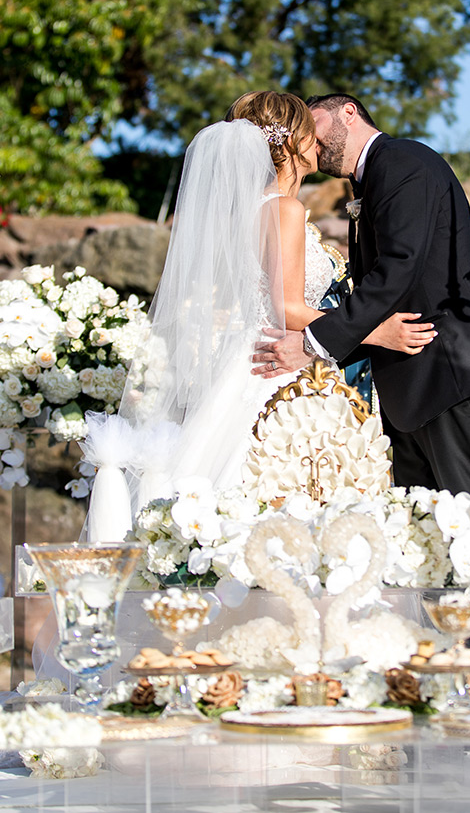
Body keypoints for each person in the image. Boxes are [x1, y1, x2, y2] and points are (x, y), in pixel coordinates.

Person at [83, 92, 432, 538]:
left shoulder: (244, 212)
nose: (319, 144)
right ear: (289, 143)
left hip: (246, 364)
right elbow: (285, 308)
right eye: (310, 133)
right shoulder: (285, 209)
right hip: (280, 371)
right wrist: (373, 331)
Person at [255, 94, 470, 504]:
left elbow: (399, 268)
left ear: (348, 112)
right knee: (425, 537)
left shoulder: (401, 162)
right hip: (411, 389)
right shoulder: (369, 178)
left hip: (450, 374)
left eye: (316, 123)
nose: (311, 137)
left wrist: (313, 343)